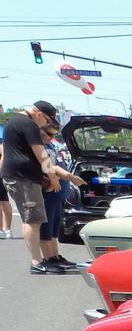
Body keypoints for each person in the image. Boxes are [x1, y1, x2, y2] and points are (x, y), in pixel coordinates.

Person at [2, 100, 69, 273]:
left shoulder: (15, 122)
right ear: (40, 114)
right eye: (47, 121)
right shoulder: (27, 123)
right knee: (32, 220)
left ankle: (40, 260)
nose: (45, 126)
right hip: (23, 179)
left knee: (34, 220)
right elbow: (41, 153)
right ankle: (37, 262)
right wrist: (53, 178)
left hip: (22, 177)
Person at [37, 124, 84, 271]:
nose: (51, 137)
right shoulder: (40, 147)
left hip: (57, 194)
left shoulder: (49, 145)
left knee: (54, 227)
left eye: (54, 135)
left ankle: (55, 256)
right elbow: (50, 167)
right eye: (49, 134)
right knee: (47, 227)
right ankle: (49, 258)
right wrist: (69, 177)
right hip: (49, 193)